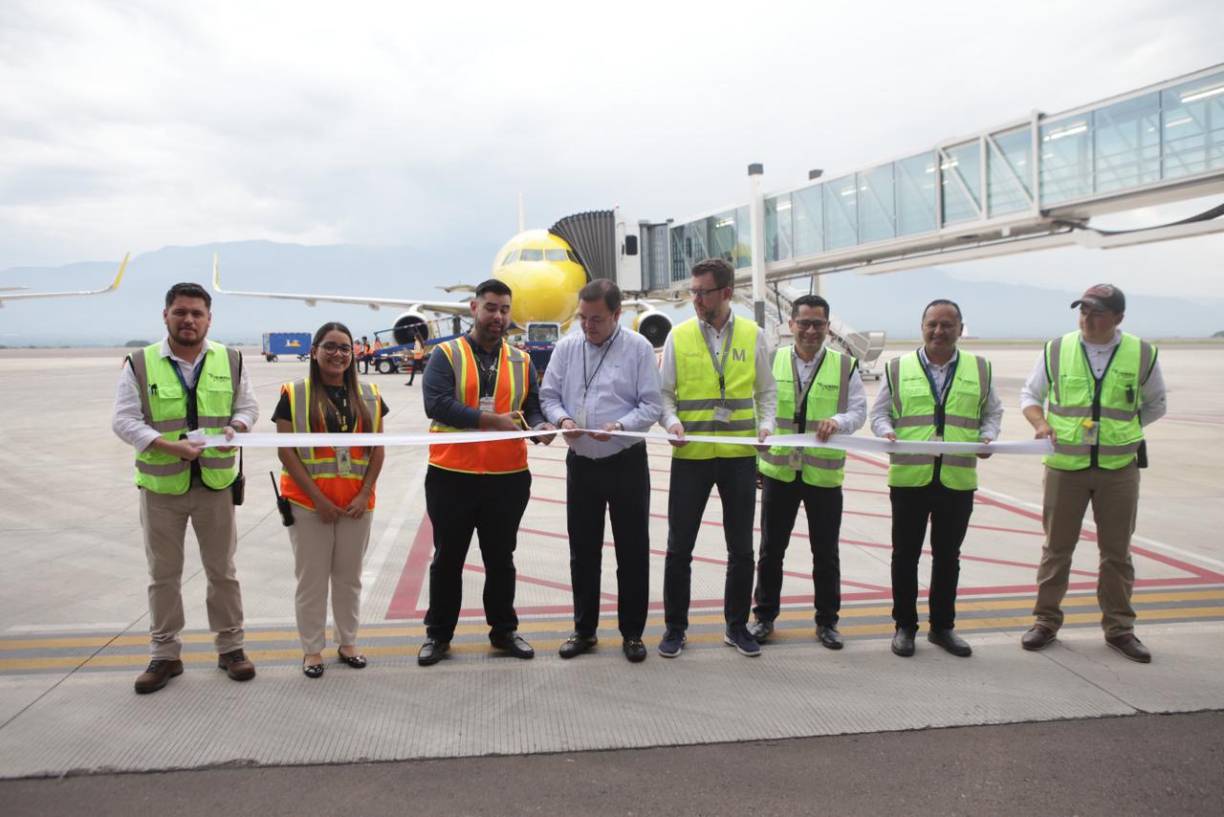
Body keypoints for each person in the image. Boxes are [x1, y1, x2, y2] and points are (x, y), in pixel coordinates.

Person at [111, 282, 258, 694]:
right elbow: (123, 419)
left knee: (222, 571)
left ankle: (231, 647)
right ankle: (164, 654)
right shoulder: (140, 363)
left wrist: (239, 425)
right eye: (180, 312)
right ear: (165, 316)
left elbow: (248, 407)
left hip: (215, 484)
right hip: (161, 489)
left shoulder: (230, 359)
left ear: (209, 319)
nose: (188, 320)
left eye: (197, 313)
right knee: (163, 574)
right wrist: (165, 445)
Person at [1019, 284, 1166, 663]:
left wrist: (1121, 434)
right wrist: (1040, 424)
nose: (1088, 318)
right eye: (1083, 311)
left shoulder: (1142, 353)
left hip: (1119, 469)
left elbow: (1155, 405)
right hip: (1065, 466)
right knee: (1056, 550)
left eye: (1097, 312)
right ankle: (1045, 622)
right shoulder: (1057, 349)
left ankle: (1119, 628)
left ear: (1118, 318)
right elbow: (1030, 397)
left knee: (1116, 553)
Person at [417, 279, 556, 665]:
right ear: (474, 308)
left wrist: (540, 426)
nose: (498, 317)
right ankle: (439, 635)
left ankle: (504, 631)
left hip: (507, 477)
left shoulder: (521, 359)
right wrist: (490, 421)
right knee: (448, 558)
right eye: (491, 308)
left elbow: (531, 406)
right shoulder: (446, 354)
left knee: (501, 558)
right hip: (452, 475)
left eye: (505, 310)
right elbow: (437, 404)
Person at [658, 258, 777, 658]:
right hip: (690, 455)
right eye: (692, 292)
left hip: (739, 456)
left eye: (702, 292)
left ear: (726, 293)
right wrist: (671, 422)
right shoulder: (680, 335)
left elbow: (766, 391)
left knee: (741, 549)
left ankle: (736, 626)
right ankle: (675, 628)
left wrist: (767, 427)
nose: (695, 299)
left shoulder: (753, 334)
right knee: (679, 548)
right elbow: (664, 394)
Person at [870, 299, 1002, 659]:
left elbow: (993, 413)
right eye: (932, 324)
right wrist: (886, 433)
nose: (939, 331)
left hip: (957, 479)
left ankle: (942, 627)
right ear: (922, 326)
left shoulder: (980, 368)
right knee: (905, 556)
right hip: (910, 477)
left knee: (948, 557)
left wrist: (989, 437)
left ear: (960, 329)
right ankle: (904, 627)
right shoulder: (898, 368)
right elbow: (879, 413)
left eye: (947, 325)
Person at [540, 280, 663, 663]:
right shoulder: (567, 347)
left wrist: (620, 427)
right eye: (582, 318)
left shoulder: (638, 349)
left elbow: (651, 405)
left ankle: (632, 633)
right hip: (582, 463)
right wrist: (561, 421)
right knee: (583, 550)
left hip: (625, 460)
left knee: (632, 551)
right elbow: (549, 395)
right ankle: (584, 630)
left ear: (616, 315)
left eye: (596, 319)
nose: (587, 326)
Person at [748, 294, 866, 649]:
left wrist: (840, 421)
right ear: (791, 325)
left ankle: (827, 622)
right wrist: (757, 456)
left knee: (825, 553)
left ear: (828, 328)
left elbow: (858, 412)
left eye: (818, 324)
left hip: (823, 477)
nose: (811, 330)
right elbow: (758, 408)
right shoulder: (771, 359)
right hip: (779, 473)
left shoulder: (845, 366)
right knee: (771, 550)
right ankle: (764, 617)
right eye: (804, 323)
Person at [275, 322, 387, 678]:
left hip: (356, 504)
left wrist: (365, 492)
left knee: (349, 578)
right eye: (330, 347)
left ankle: (348, 642)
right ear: (315, 351)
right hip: (309, 505)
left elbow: (377, 450)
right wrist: (318, 499)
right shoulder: (293, 394)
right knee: (312, 580)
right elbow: (286, 451)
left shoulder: (369, 393)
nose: (338, 354)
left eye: (344, 348)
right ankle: (312, 649)